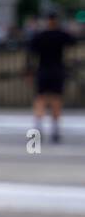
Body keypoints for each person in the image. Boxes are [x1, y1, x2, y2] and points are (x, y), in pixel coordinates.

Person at [26, 11, 76, 143]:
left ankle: (38, 130)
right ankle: (55, 130)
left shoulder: (40, 36)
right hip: (57, 70)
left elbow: (30, 53)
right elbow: (73, 41)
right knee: (56, 100)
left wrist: (29, 71)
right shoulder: (61, 35)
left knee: (40, 99)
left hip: (43, 70)